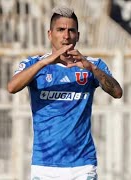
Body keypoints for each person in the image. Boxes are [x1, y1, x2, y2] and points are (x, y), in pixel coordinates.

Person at [7, 6, 123, 180]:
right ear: (49, 34)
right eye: (60, 30)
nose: (66, 36)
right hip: (44, 164)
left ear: (78, 35)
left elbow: (117, 92)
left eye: (71, 30)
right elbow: (12, 87)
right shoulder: (35, 64)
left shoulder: (92, 65)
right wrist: (44, 63)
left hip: (82, 164)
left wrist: (91, 68)